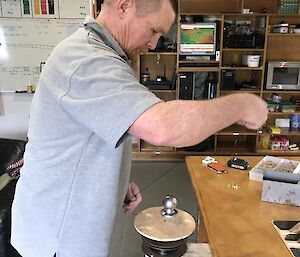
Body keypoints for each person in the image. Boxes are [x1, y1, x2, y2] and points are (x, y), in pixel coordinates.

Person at [11, 0, 268, 256]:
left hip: (63, 225)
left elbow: (90, 133)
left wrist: (115, 179)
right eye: (154, 30)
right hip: (55, 237)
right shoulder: (87, 60)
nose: (154, 43)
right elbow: (162, 127)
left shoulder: (101, 53)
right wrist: (241, 104)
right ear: (124, 6)